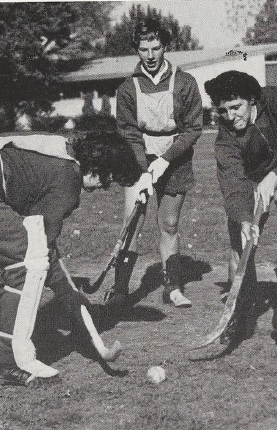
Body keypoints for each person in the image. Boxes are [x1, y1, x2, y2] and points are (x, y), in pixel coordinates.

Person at [0, 114, 141, 387]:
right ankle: (11, 362)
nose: (103, 188)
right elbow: (43, 252)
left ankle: (7, 350)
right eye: (108, 179)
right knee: (30, 264)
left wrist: (70, 293)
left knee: (28, 257)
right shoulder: (69, 179)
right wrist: (71, 298)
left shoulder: (57, 147)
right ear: (98, 166)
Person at [204, 71, 277, 346]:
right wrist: (244, 219)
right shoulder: (225, 137)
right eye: (223, 111)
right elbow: (233, 183)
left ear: (252, 100)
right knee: (240, 242)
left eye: (236, 107)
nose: (231, 117)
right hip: (255, 180)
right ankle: (240, 311)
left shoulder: (275, 100)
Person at [108, 18, 203, 309]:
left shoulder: (185, 82)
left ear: (165, 47)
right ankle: (120, 288)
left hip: (175, 158)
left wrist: (164, 161)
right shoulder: (127, 88)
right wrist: (143, 168)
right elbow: (127, 131)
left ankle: (172, 286)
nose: (150, 55)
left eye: (156, 48)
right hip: (138, 159)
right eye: (143, 48)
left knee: (170, 224)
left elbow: (193, 129)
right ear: (136, 49)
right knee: (132, 223)